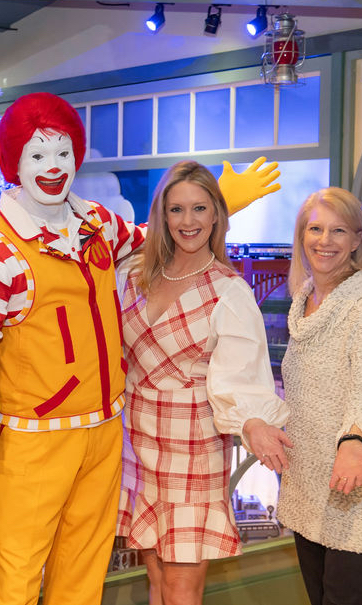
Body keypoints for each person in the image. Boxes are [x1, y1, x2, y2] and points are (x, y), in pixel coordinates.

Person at [0, 92, 280, 605]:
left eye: (62, 152)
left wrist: (218, 200)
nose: (52, 167)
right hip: (37, 441)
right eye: (36, 154)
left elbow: (146, 236)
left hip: (105, 438)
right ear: (12, 163)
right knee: (15, 577)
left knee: (83, 574)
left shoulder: (95, 222)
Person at [118, 161, 291, 605]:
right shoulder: (136, 272)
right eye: (176, 210)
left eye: (199, 209)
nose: (188, 221)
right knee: (155, 574)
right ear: (162, 215)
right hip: (135, 441)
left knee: (181, 587)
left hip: (191, 448)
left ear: (217, 214)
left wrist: (253, 423)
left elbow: (243, 375)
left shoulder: (229, 291)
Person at [277, 187, 362, 605]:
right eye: (315, 228)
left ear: (357, 240)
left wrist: (354, 442)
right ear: (301, 236)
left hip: (358, 490)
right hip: (309, 486)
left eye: (338, 231)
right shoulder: (304, 304)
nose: (324, 240)